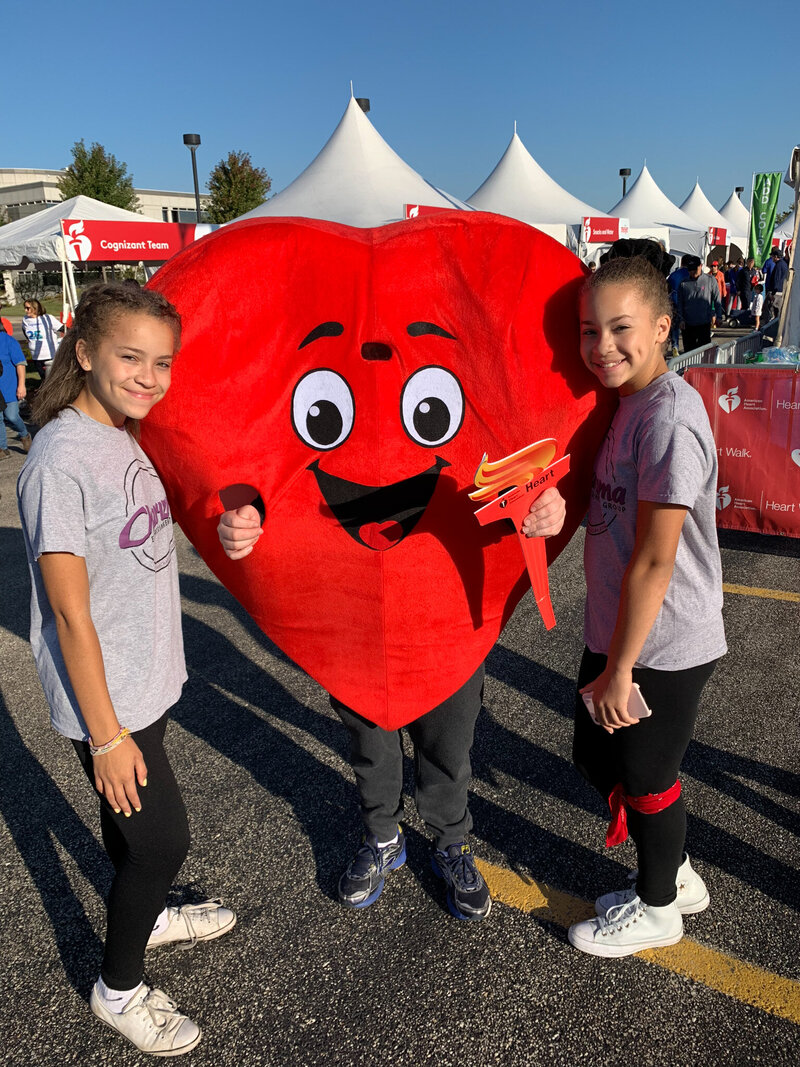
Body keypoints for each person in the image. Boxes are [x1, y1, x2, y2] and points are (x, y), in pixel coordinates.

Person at [17, 283, 235, 1056]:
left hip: (145, 680)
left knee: (132, 831)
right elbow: (71, 612)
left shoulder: (122, 432)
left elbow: (145, 530)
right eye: (130, 357)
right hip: (104, 696)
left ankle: (153, 915)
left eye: (162, 362)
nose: (149, 376)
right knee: (159, 843)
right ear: (84, 353)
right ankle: (118, 987)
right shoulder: (60, 459)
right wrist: (106, 738)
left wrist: (228, 526)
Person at [218, 489, 566, 922]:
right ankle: (383, 837)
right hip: (354, 616)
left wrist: (546, 501)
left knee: (448, 745)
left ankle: (451, 841)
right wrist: (246, 516)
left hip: (447, 613)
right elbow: (275, 472)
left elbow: (513, 454)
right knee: (371, 744)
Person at [565, 254, 726, 957]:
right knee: (591, 752)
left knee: (648, 774)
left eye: (621, 327)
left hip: (665, 642)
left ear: (664, 327)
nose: (602, 345)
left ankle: (660, 906)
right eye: (588, 328)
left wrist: (622, 667)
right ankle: (677, 869)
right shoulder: (626, 402)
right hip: (620, 630)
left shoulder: (667, 418)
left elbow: (658, 557)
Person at [677, 255, 720, 351]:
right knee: (689, 352)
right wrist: (681, 319)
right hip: (688, 325)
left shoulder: (710, 280)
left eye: (694, 270)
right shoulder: (683, 283)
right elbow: (680, 303)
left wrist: (718, 315)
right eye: (690, 270)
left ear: (701, 266)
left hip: (704, 323)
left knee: (704, 351)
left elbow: (716, 299)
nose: (692, 273)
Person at [0, 328, 32, 457]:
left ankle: (24, 435)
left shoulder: (8, 341)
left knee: (12, 416)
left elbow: (20, 364)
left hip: (9, 388)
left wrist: (21, 385)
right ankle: (3, 449)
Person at [21, 298, 64, 379]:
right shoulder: (25, 320)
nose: (25, 310)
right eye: (25, 308)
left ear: (35, 308)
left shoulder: (47, 318)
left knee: (52, 378)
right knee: (43, 378)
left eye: (28, 308)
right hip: (36, 356)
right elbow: (24, 330)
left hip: (49, 355)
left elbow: (64, 329)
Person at [764, 247, 788, 321]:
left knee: (772, 310)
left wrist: (773, 292)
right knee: (778, 311)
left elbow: (776, 279)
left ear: (776, 257)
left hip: (776, 292)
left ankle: (770, 326)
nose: (772, 258)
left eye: (772, 256)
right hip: (781, 290)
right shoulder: (784, 264)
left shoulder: (778, 265)